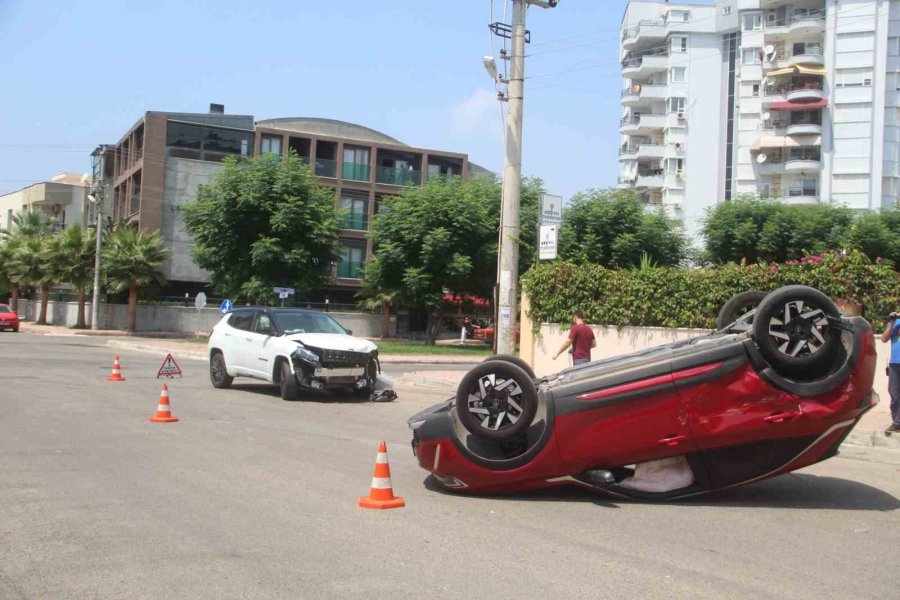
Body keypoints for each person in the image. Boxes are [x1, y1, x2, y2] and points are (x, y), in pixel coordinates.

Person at [882, 311, 900, 435]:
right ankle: (897, 422)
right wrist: (891, 323)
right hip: (894, 362)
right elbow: (883, 339)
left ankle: (897, 423)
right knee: (893, 393)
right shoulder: (894, 322)